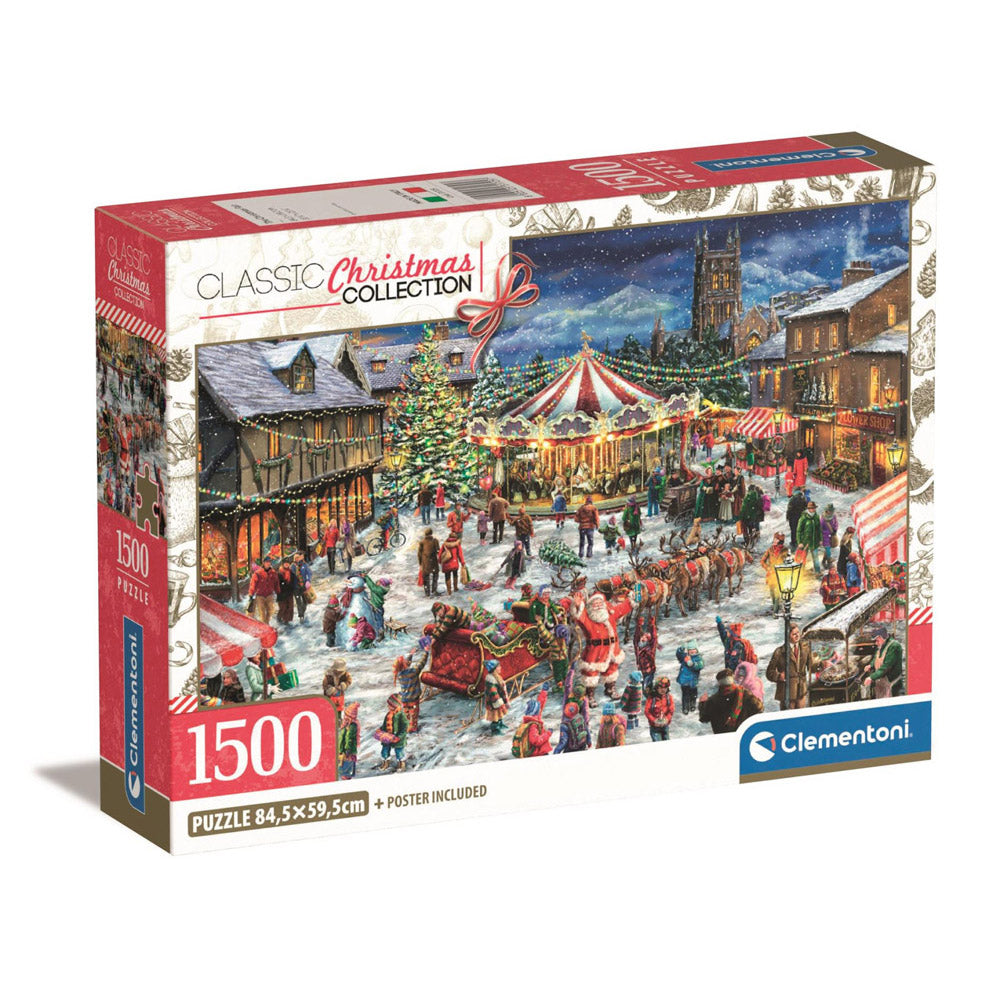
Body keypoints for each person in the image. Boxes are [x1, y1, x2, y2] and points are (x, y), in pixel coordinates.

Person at [577, 592, 633, 704]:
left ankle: (610, 688)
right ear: (590, 606)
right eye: (595, 604)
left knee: (611, 669)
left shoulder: (610, 614)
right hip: (595, 651)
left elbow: (622, 609)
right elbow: (579, 617)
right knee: (591, 673)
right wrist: (578, 605)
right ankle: (589, 695)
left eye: (600, 603)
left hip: (612, 649)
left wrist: (632, 599)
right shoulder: (588, 619)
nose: (598, 606)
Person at [765, 624, 816, 710]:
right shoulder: (779, 652)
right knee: (787, 715)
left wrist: (822, 664)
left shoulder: (805, 649)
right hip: (787, 693)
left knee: (801, 715)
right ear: (788, 636)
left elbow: (812, 666)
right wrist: (779, 676)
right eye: (794, 634)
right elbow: (769, 673)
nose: (797, 636)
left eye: (798, 633)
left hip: (801, 692)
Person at [698, 669, 763, 733]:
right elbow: (759, 708)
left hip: (722, 737)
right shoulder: (745, 694)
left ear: (719, 682)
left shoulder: (712, 700)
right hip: (743, 734)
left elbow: (703, 718)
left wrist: (702, 703)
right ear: (732, 679)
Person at [511, 689, 553, 758]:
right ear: (536, 711)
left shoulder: (531, 719)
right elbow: (536, 741)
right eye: (538, 709)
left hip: (538, 753)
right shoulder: (533, 725)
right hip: (538, 754)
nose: (540, 709)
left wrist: (544, 691)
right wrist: (548, 733)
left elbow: (540, 704)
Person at [865, 626, 904, 698]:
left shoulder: (894, 646)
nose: (876, 643)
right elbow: (876, 657)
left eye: (877, 640)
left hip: (891, 681)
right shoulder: (881, 644)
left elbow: (886, 666)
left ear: (881, 637)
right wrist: (871, 665)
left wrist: (871, 677)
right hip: (881, 678)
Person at [376, 693, 409, 771]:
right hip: (387, 736)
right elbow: (384, 725)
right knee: (385, 750)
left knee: (399, 751)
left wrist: (399, 737)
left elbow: (404, 728)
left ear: (395, 706)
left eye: (390, 705)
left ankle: (401, 764)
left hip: (397, 738)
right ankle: (385, 762)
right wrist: (380, 730)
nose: (388, 707)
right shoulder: (388, 714)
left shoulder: (401, 715)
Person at [761, 532, 790, 615]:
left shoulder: (785, 550)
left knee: (777, 593)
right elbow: (762, 561)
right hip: (771, 575)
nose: (774, 540)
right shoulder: (770, 549)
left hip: (780, 574)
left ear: (779, 541)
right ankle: (775, 607)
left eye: (776, 539)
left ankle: (775, 611)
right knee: (772, 592)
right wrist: (767, 568)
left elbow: (788, 561)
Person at [248, 556, 278, 625]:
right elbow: (253, 584)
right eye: (267, 562)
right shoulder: (258, 573)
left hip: (270, 594)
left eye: (269, 562)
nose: (268, 563)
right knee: (262, 612)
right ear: (264, 563)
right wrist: (251, 593)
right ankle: (264, 625)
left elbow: (276, 583)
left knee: (271, 610)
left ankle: (266, 623)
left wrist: (278, 592)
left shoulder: (273, 573)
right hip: (260, 595)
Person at [676, 641, 704, 714]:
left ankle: (692, 704)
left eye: (694, 649)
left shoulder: (698, 658)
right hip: (684, 680)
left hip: (693, 681)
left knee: (693, 694)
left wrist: (692, 664)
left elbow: (700, 666)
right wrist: (681, 649)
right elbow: (679, 655)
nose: (692, 651)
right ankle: (685, 707)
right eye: (690, 650)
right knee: (685, 694)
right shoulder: (685, 657)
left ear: (697, 650)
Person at [483, 659, 510, 734]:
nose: (500, 668)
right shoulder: (491, 681)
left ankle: (500, 724)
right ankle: (495, 729)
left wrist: (504, 699)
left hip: (499, 700)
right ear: (494, 669)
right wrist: (499, 701)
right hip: (494, 702)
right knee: (495, 716)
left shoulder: (497, 677)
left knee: (500, 714)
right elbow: (493, 693)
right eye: (498, 667)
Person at [796, 500, 823, 573]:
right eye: (812, 508)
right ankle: (801, 572)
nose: (813, 510)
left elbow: (819, 529)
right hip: (805, 542)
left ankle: (817, 572)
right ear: (808, 509)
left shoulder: (816, 516)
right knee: (803, 557)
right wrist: (799, 542)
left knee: (816, 557)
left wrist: (820, 539)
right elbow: (799, 531)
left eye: (814, 508)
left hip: (814, 541)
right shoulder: (803, 518)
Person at [644, 676, 674, 741]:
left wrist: (667, 719)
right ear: (657, 688)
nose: (663, 690)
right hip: (655, 727)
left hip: (665, 726)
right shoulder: (652, 698)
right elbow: (647, 711)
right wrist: (654, 720)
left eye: (665, 688)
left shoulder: (669, 698)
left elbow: (671, 711)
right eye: (660, 688)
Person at [438, 531, 465, 595]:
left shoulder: (444, 544)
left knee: (447, 577)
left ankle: (449, 590)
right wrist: (462, 562)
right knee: (455, 575)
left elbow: (440, 554)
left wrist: (440, 561)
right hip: (454, 563)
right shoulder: (457, 544)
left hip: (446, 564)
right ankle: (455, 587)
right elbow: (460, 554)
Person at [338, 703, 360, 779]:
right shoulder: (347, 725)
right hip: (344, 749)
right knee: (344, 762)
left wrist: (347, 749)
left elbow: (349, 738)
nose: (345, 717)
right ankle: (345, 775)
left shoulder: (352, 726)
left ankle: (347, 776)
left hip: (348, 749)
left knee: (348, 763)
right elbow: (343, 737)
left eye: (346, 715)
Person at [417, 527, 441, 597]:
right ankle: (434, 590)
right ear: (431, 533)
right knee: (435, 575)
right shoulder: (435, 541)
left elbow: (419, 554)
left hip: (425, 562)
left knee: (426, 577)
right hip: (433, 561)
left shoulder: (422, 542)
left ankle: (427, 592)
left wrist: (420, 563)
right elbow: (438, 551)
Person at [574, 494, 599, 558]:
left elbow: (576, 519)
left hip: (582, 527)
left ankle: (581, 554)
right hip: (590, 527)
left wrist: (581, 521)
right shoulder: (593, 508)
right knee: (590, 542)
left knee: (582, 542)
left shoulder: (581, 508)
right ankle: (589, 554)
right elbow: (596, 518)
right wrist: (597, 525)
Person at [291, 550, 312, 624]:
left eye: (299, 557)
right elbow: (291, 576)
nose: (298, 559)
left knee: (305, 601)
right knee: (298, 602)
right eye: (296, 558)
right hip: (296, 587)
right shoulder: (293, 566)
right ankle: (301, 616)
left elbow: (309, 573)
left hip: (303, 586)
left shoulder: (304, 565)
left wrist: (308, 581)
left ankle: (302, 611)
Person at [276, 557, 296, 626]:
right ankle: (279, 617)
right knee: (283, 607)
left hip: (289, 592)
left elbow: (294, 581)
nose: (287, 564)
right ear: (283, 564)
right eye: (285, 563)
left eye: (288, 563)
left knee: (290, 606)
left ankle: (286, 620)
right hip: (282, 593)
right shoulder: (279, 573)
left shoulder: (291, 572)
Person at [820, 503, 839, 568]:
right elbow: (820, 528)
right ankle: (829, 561)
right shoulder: (823, 518)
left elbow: (836, 523)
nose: (830, 512)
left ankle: (823, 561)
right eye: (829, 510)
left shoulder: (834, 516)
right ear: (826, 510)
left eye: (831, 510)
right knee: (827, 548)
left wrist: (835, 530)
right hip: (825, 535)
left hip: (832, 534)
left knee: (828, 549)